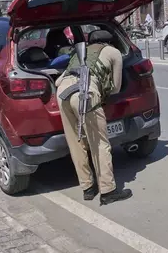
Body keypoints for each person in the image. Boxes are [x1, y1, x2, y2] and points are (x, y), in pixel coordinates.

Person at [55, 29, 132, 205]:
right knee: (99, 143)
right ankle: (107, 191)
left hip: (63, 94)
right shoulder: (113, 52)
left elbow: (58, 81)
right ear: (110, 42)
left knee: (76, 142)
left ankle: (88, 188)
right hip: (86, 94)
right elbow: (117, 87)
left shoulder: (79, 53)